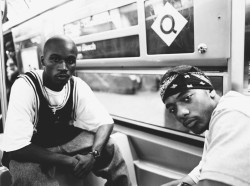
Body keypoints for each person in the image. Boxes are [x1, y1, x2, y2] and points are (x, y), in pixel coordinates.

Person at [1, 35, 132, 186]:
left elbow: (105, 123)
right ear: (43, 60)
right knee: (25, 173)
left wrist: (93, 155)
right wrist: (69, 161)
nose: (63, 67)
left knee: (110, 146)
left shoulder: (77, 86)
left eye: (70, 61)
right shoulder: (25, 86)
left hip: (66, 141)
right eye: (55, 59)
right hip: (34, 147)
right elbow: (17, 148)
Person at [159, 65, 250, 186]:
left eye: (186, 99)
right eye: (172, 109)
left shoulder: (232, 114)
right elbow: (203, 168)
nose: (181, 113)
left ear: (210, 91)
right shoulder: (211, 124)